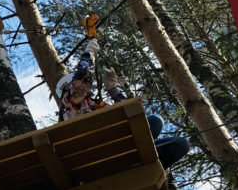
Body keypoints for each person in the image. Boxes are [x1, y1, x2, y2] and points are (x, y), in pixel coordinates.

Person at [56, 39, 190, 169]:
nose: (90, 87)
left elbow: (130, 113)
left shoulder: (94, 107)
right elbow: (82, 77)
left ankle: (144, 170)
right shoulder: (69, 106)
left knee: (176, 140)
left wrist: (113, 88)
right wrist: (89, 52)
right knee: (156, 122)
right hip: (102, 158)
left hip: (122, 152)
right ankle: (140, 169)